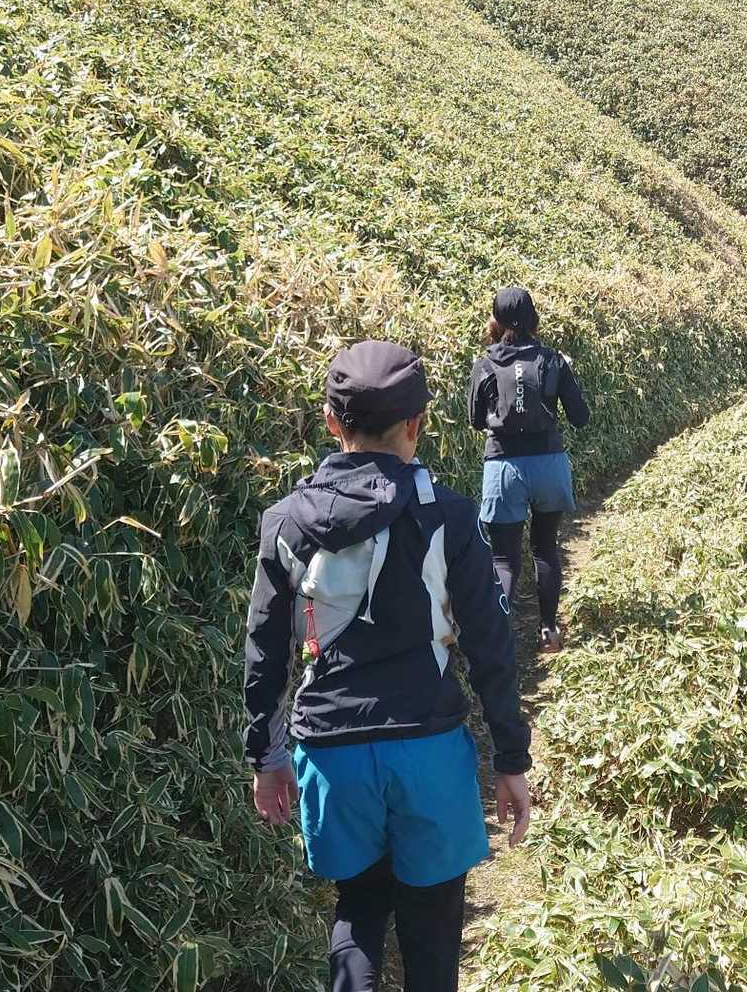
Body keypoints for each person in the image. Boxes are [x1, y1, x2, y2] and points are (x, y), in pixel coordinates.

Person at [243, 340, 532, 992]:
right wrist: (511, 758)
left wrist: (267, 756)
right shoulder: (447, 516)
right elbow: (490, 644)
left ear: (330, 422)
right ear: (416, 424)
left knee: (359, 907)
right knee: (433, 929)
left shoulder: (285, 522)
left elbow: (265, 650)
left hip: (330, 754)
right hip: (426, 749)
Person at [468, 286, 590, 652]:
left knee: (504, 560)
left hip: (503, 466)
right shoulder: (553, 361)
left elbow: (475, 420)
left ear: (495, 321)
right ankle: (549, 631)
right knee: (545, 548)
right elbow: (580, 417)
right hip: (548, 465)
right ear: (534, 319)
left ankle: (497, 644)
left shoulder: (484, 364)